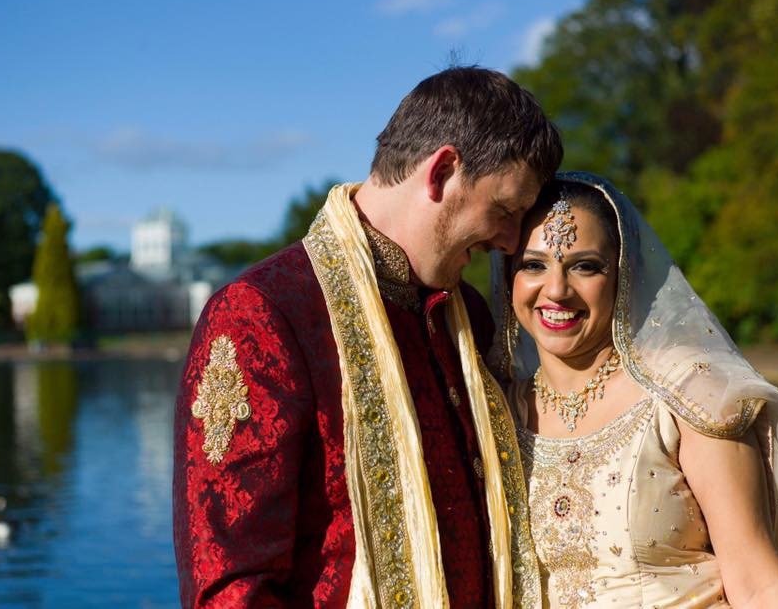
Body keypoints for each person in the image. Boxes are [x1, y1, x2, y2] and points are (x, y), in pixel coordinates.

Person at [173, 66, 563, 608]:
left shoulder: (469, 314)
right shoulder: (262, 314)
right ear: (442, 171)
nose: (511, 241)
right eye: (504, 211)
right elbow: (232, 586)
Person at [488, 171, 778, 607]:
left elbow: (758, 585)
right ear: (509, 279)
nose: (557, 290)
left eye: (585, 266)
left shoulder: (688, 396)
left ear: (622, 276)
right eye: (533, 264)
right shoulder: (494, 411)